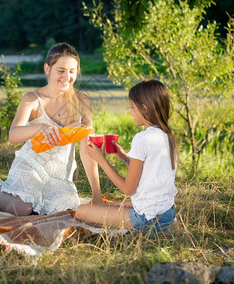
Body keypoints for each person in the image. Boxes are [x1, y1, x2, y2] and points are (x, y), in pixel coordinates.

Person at [0, 43, 102, 216]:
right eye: (61, 71)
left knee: (63, 211)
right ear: (48, 69)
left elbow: (87, 151)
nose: (67, 77)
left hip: (60, 176)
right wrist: (39, 127)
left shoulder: (83, 102)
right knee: (24, 207)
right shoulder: (32, 99)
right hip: (30, 165)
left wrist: (96, 194)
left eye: (72, 71)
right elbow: (13, 135)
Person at [75, 79, 178, 232]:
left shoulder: (142, 139)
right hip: (167, 213)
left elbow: (128, 189)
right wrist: (124, 157)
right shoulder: (167, 135)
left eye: (132, 107)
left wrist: (101, 160)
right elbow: (148, 171)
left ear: (144, 109)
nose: (130, 112)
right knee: (107, 205)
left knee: (80, 211)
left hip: (145, 219)